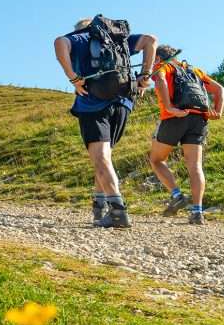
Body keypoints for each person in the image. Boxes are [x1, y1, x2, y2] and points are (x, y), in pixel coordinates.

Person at [54, 17, 157, 228]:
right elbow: (151, 40)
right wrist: (145, 76)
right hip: (123, 105)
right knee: (103, 157)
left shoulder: (80, 38)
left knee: (100, 157)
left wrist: (72, 76)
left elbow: (59, 42)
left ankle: (117, 211)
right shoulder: (119, 40)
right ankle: (99, 206)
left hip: (93, 105)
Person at [147, 45, 224, 225]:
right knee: (195, 166)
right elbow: (220, 90)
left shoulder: (163, 67)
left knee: (156, 160)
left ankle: (176, 195)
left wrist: (169, 107)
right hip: (199, 120)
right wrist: (218, 111)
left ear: (158, 58)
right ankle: (197, 212)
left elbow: (159, 81)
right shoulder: (195, 71)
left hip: (174, 118)